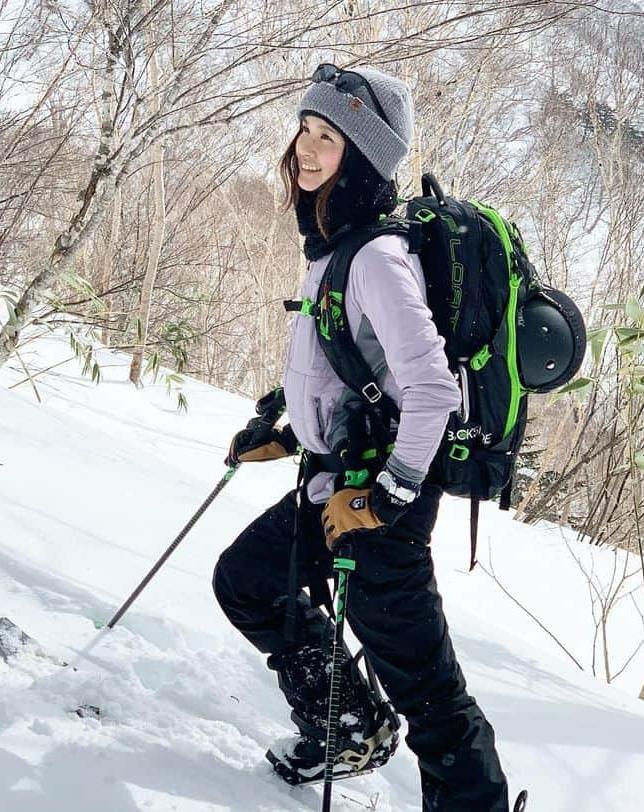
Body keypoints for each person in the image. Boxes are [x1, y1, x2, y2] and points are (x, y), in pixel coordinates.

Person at [211, 64, 511, 811]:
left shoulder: (375, 256)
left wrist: (386, 499)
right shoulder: (335, 246)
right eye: (306, 132)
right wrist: (288, 430)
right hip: (333, 485)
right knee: (248, 580)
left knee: (432, 700)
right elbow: (343, 367)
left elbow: (434, 390)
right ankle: (347, 722)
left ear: (366, 156)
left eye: (329, 138)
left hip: (377, 512)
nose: (307, 151)